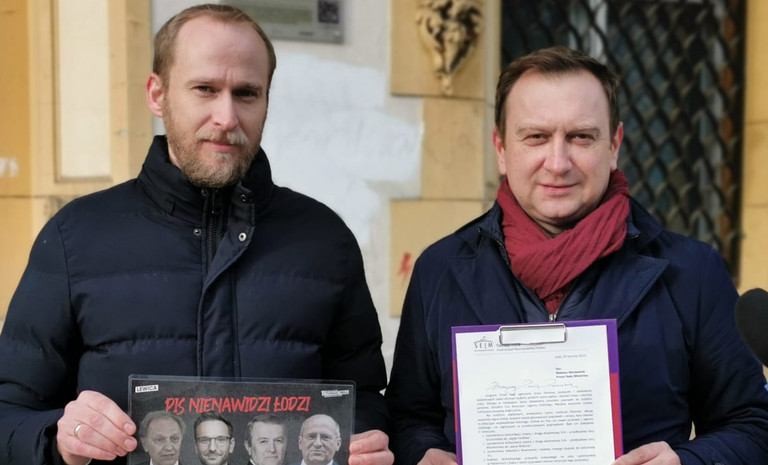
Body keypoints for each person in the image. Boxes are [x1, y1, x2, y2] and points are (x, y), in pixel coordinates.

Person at [0, 4, 392, 465]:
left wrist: (365, 442)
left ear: (267, 101)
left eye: (246, 93)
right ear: (157, 94)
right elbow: (9, 414)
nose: (226, 116)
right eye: (205, 89)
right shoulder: (75, 237)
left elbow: (364, 398)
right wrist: (59, 439)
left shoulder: (325, 240)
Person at [385, 45, 768, 465]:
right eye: (536, 136)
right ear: (501, 148)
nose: (558, 162)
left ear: (614, 145)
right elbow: (408, 417)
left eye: (581, 137)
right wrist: (423, 452)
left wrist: (686, 461)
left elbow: (752, 425)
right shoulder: (440, 270)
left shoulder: (690, 272)